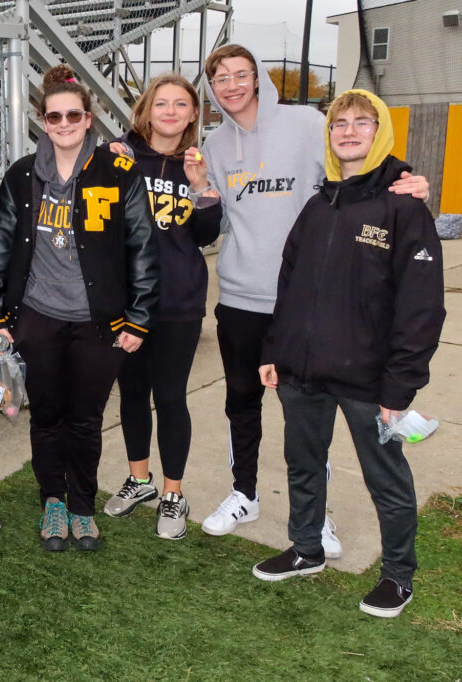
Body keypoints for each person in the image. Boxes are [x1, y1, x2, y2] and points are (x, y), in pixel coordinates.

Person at [194, 45, 428, 553]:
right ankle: (244, 493)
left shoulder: (304, 123)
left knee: (307, 421)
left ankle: (314, 516)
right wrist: (199, 193)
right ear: (212, 89)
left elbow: (360, 157)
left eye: (241, 74)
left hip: (304, 302)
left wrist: (405, 179)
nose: (231, 85)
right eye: (220, 78)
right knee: (242, 407)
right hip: (240, 298)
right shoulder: (213, 146)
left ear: (258, 79)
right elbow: (210, 222)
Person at [253, 89, 444, 619]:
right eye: (340, 124)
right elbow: (289, 285)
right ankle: (306, 549)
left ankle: (399, 577)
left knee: (387, 477)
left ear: (379, 131)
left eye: (363, 123)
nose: (349, 132)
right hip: (302, 372)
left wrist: (399, 386)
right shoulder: (319, 205)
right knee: (304, 465)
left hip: (370, 382)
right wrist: (275, 350)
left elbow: (422, 307)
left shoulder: (404, 206)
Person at [0, 64, 158, 552]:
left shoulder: (119, 172)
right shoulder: (20, 175)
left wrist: (140, 318)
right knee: (47, 417)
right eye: (53, 117)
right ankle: (52, 501)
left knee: (86, 418)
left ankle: (82, 504)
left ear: (88, 119)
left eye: (72, 116)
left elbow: (142, 247)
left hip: (99, 323)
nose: (63, 124)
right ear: (42, 119)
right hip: (38, 317)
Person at [102, 74, 221, 540]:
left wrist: (201, 186)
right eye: (161, 103)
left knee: (169, 396)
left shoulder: (194, 163)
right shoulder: (119, 153)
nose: (170, 112)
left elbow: (206, 234)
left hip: (178, 299)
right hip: (128, 301)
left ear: (193, 114)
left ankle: (173, 493)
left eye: (181, 105)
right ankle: (139, 479)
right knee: (131, 393)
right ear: (146, 110)